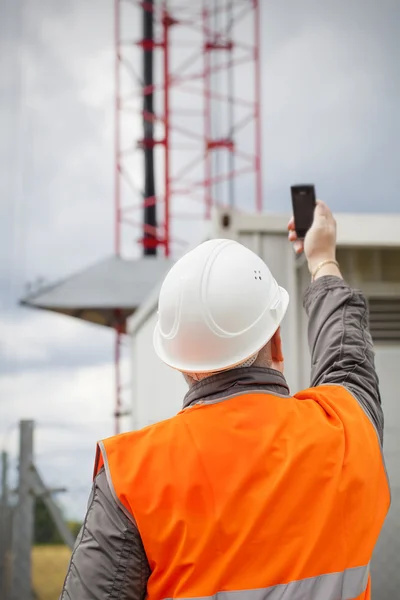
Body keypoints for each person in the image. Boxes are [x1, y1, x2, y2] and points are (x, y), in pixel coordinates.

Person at [60, 201, 390, 600]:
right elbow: (347, 358)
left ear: (179, 363)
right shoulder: (346, 429)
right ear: (276, 340)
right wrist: (322, 261)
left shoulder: (132, 474)